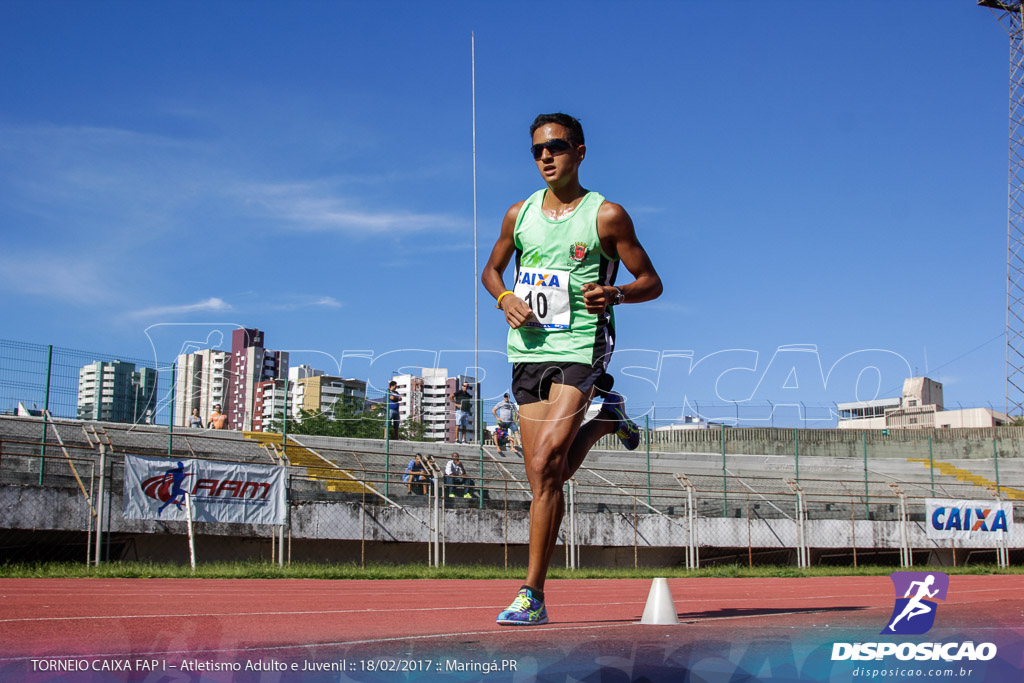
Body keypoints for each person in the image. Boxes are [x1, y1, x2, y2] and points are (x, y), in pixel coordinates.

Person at [482, 112, 662, 625]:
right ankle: (607, 421)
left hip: (582, 345)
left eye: (556, 147)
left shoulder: (606, 216)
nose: (546, 156)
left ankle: (531, 593)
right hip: (527, 351)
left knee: (545, 466)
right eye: (538, 149)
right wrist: (506, 298)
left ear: (579, 152)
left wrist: (618, 293)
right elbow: (491, 271)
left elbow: (651, 280)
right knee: (544, 474)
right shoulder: (518, 215)